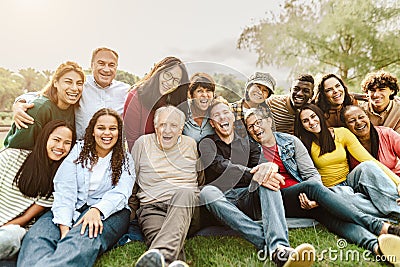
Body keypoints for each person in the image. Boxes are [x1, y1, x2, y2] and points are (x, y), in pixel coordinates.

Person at [243, 107, 400, 263]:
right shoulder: (249, 150)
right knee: (311, 187)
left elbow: (310, 173)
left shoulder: (290, 141)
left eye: (259, 122)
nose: (256, 128)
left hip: (304, 197)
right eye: (251, 126)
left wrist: (315, 199)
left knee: (334, 220)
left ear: (269, 121)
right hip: (277, 197)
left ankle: (376, 247)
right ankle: (379, 226)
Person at [198, 99, 315, 267]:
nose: (222, 117)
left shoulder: (249, 144)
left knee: (268, 179)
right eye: (216, 115)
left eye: (225, 113)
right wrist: (255, 174)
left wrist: (267, 169)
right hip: (223, 201)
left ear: (232, 117)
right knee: (207, 193)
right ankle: (269, 244)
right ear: (212, 123)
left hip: (248, 197)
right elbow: (221, 166)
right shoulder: (205, 144)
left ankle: (280, 248)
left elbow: (262, 164)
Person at [17, 108, 135, 267]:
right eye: (101, 128)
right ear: (92, 131)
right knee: (37, 237)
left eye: (112, 129)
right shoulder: (78, 151)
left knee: (82, 239)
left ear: (119, 133)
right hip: (72, 205)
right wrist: (64, 228)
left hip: (111, 211)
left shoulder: (125, 160)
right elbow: (65, 189)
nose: (107, 133)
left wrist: (97, 210)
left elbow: (122, 192)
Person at [294, 103, 400, 219]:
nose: (311, 122)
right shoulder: (302, 144)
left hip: (350, 180)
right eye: (305, 121)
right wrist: (319, 198)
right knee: (347, 197)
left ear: (319, 115)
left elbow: (369, 159)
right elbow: (306, 174)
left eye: (313, 116)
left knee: (368, 166)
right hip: (330, 190)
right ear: (302, 125)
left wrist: (398, 183)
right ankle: (388, 213)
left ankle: (396, 208)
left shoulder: (341, 133)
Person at [131, 106, 202, 267]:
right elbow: (131, 181)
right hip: (152, 208)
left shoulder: (190, 144)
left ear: (181, 129)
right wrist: (130, 211)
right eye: (162, 125)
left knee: (184, 192)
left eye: (173, 125)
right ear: (156, 127)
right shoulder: (142, 144)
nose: (167, 130)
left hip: (186, 206)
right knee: (163, 237)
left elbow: (200, 179)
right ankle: (172, 261)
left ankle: (161, 255)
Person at [12, 47, 130, 139]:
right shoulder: (80, 85)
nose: (106, 69)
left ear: (116, 67)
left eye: (111, 65)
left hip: (112, 153)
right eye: (101, 63)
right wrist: (19, 104)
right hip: (80, 152)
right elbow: (44, 94)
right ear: (92, 65)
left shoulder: (126, 91)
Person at [0, 120, 75, 260]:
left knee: (9, 236)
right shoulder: (12, 157)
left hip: (11, 231)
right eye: (56, 140)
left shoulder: (57, 182)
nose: (60, 146)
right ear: (45, 138)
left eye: (67, 143)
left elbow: (25, 218)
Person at [4, 61, 84, 149]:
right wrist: (18, 103)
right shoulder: (39, 109)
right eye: (68, 82)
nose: (74, 88)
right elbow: (18, 150)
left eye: (79, 83)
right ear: (55, 83)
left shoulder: (77, 107)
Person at [123, 56, 189, 150]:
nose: (170, 83)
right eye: (168, 75)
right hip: (143, 156)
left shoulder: (174, 100)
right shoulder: (136, 97)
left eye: (176, 80)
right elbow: (132, 141)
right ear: (158, 72)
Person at [341, 105, 400, 176]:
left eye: (361, 117)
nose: (358, 122)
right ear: (345, 125)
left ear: (367, 117)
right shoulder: (344, 144)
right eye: (352, 121)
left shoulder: (387, 134)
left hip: (396, 180)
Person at [180, 72, 216, 143]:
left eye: (208, 91)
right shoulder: (182, 110)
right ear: (191, 95)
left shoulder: (216, 111)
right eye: (200, 91)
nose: (205, 95)